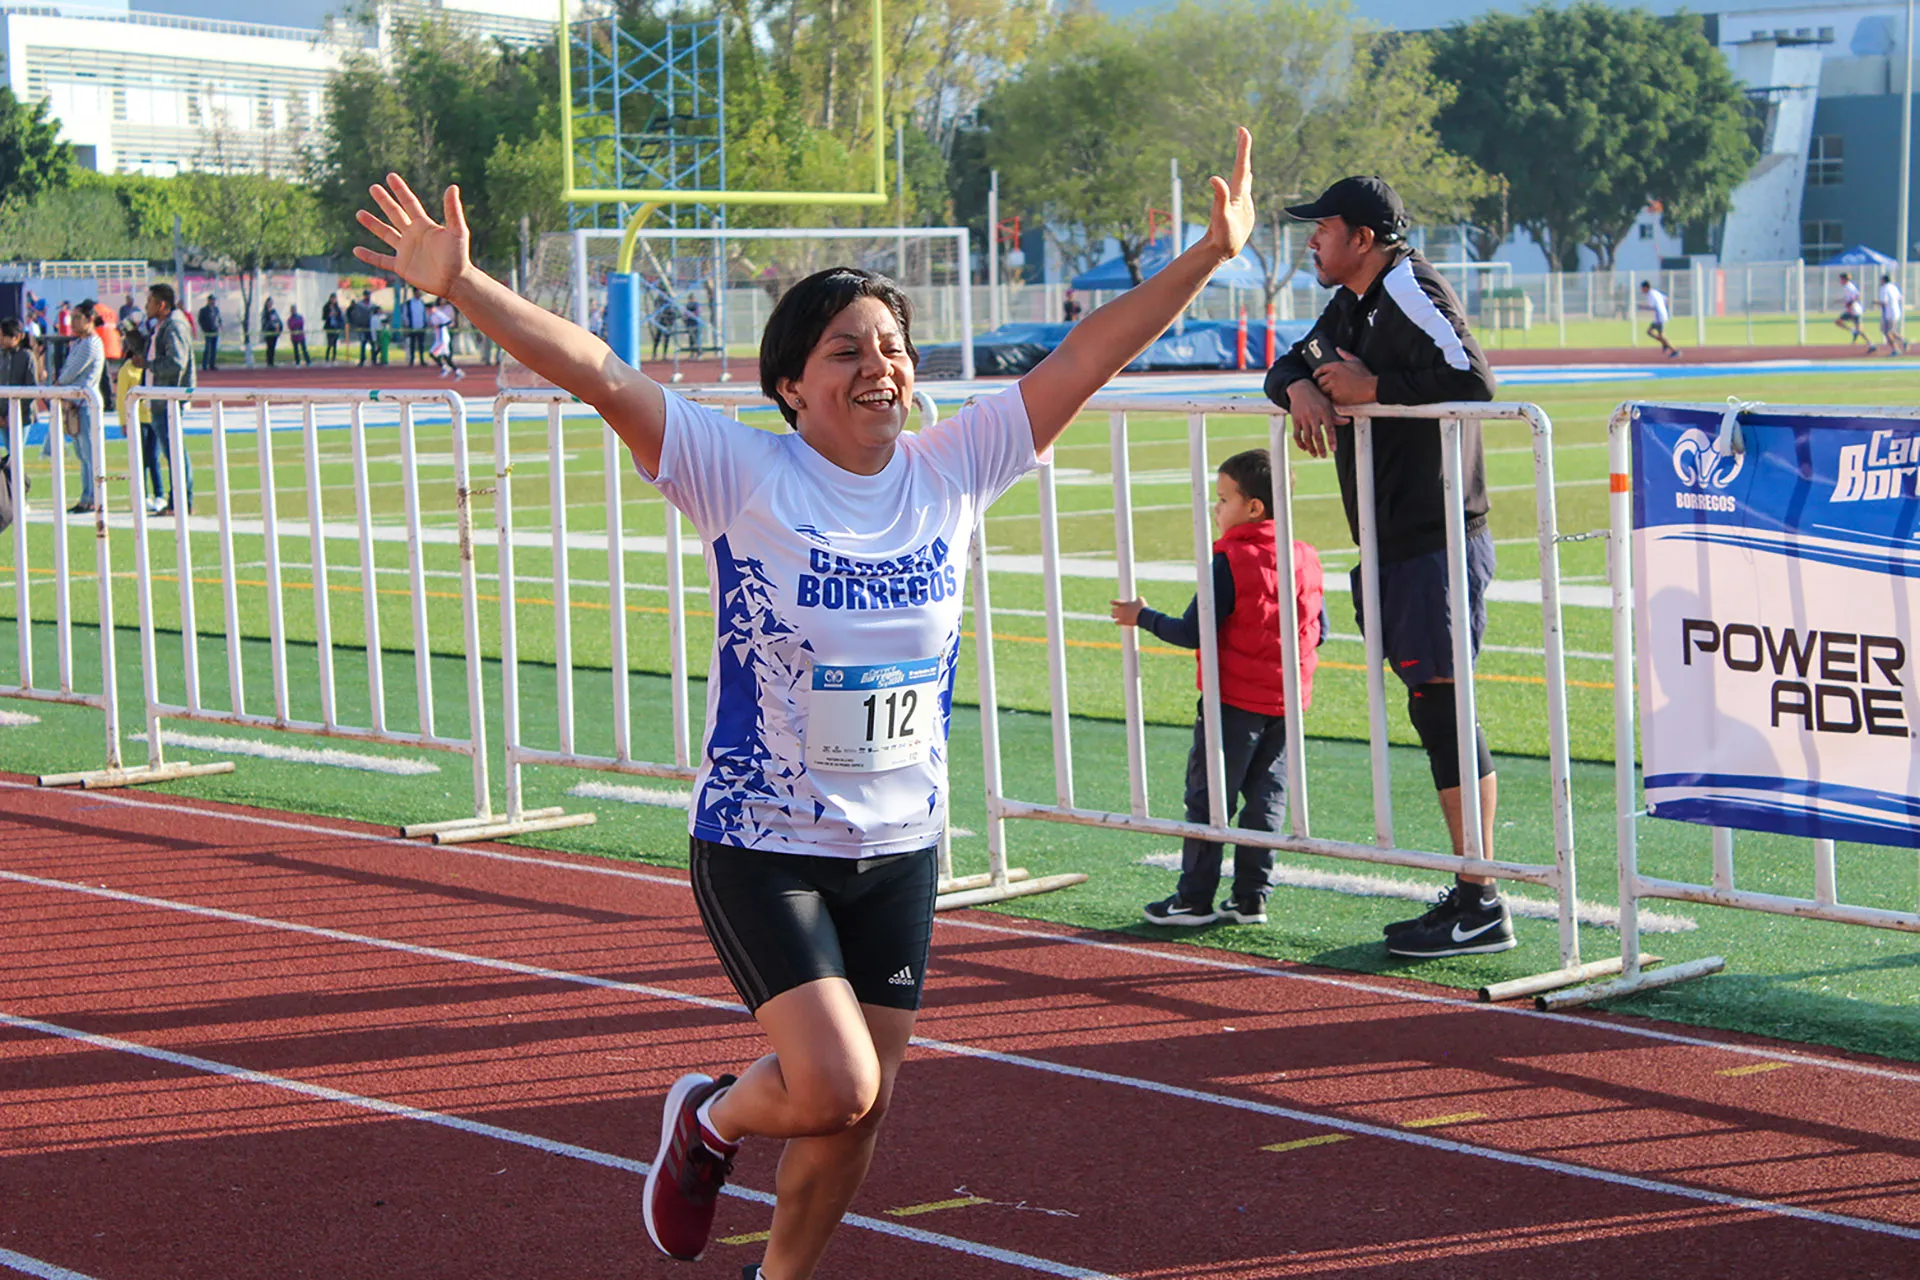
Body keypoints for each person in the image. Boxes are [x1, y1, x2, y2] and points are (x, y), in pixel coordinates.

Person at [353, 128, 1254, 1280]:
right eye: (846, 350)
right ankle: (711, 1119)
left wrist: (1207, 258)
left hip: (903, 841)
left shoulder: (958, 464)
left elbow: (1088, 355)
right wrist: (464, 283)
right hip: (763, 840)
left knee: (858, 1115)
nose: (879, 365)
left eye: (891, 346)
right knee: (835, 1082)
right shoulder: (741, 471)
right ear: (792, 383)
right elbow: (597, 369)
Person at [1264, 174, 1509, 960]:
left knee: (1444, 709)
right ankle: (1474, 891)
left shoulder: (1407, 287)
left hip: (1435, 534)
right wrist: (1301, 385)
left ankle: (1483, 899)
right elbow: (1287, 361)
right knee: (1431, 708)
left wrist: (1376, 389)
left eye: (1324, 228)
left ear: (1363, 237)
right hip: (1394, 537)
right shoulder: (1354, 303)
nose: (1312, 240)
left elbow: (1476, 383)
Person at [1111, 448, 1325, 927]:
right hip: (1286, 700)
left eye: (1223, 498)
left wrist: (1140, 616)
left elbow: (1193, 631)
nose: (1216, 508)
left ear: (1254, 508)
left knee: (1209, 799)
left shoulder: (1232, 559)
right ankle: (1252, 896)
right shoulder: (1305, 556)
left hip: (1233, 701)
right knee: (1266, 798)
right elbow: (1319, 629)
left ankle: (1194, 898)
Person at [144, 282, 196, 517]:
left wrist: (148, 365)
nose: (146, 306)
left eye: (149, 301)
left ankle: (181, 502)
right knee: (171, 451)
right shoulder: (165, 324)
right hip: (161, 397)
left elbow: (177, 362)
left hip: (169, 398)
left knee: (174, 451)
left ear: (161, 304)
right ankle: (178, 501)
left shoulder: (174, 324)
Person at [49, 299, 105, 515]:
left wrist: (57, 385)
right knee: (83, 454)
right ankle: (87, 496)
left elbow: (70, 372)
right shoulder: (82, 342)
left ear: (89, 320)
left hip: (84, 405)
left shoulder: (90, 343)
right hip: (76, 404)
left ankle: (93, 498)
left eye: (77, 318)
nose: (72, 322)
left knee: (89, 455)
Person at [115, 326, 162, 510]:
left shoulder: (149, 368)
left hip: (153, 418)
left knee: (154, 457)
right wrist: (124, 422)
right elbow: (121, 399)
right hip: (137, 420)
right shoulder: (126, 371)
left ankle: (159, 494)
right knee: (140, 459)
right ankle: (142, 495)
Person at [0, 318, 44, 439]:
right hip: (3, 416)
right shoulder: (1, 355)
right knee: (11, 453)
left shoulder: (26, 356)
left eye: (3, 336)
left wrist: (15, 413)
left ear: (17, 337)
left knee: (15, 452)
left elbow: (32, 387)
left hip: (23, 416)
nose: (0, 339)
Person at [1638, 281, 1679, 358]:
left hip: (1659, 317)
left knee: (1655, 334)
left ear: (1645, 288)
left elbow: (1651, 307)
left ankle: (1674, 350)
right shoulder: (1655, 292)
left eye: (1642, 289)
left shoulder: (1650, 295)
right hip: (1661, 315)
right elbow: (1666, 299)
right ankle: (1665, 344)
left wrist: (1642, 307)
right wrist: (1663, 308)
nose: (1642, 290)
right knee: (1654, 333)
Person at [1835, 271, 1874, 351]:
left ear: (1844, 279)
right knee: (1839, 322)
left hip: (1855, 311)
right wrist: (1840, 300)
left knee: (1859, 330)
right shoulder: (1846, 287)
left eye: (1841, 279)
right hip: (1851, 310)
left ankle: (1871, 344)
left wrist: (1850, 304)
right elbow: (1848, 298)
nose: (1840, 281)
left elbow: (1858, 296)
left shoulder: (1849, 287)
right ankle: (1855, 332)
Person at [427, 297, 463, 379]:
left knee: (433, 353)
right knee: (444, 356)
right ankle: (456, 371)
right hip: (438, 339)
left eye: (429, 309)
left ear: (433, 308)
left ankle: (447, 368)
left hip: (443, 339)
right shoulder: (432, 316)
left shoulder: (439, 314)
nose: (427, 312)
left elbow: (449, 322)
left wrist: (439, 326)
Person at [1879, 273, 1909, 355]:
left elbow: (1884, 302)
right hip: (1896, 311)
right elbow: (1900, 297)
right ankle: (1903, 341)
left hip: (1889, 313)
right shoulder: (1893, 287)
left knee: (1887, 332)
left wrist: (1875, 302)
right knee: (1889, 331)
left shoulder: (1884, 288)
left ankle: (1896, 349)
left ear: (1884, 280)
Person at [399, 289, 429, 365]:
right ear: (414, 293)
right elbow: (404, 315)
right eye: (418, 293)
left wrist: (425, 323)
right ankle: (411, 360)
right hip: (412, 327)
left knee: (421, 344)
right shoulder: (409, 303)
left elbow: (424, 314)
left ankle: (422, 360)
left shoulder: (422, 303)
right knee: (412, 344)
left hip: (421, 326)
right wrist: (407, 324)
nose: (419, 294)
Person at [349, 291, 374, 365]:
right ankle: (362, 359)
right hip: (363, 326)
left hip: (371, 327)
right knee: (363, 343)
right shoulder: (360, 305)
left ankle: (374, 359)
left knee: (373, 343)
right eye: (366, 295)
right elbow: (355, 315)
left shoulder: (372, 305)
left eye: (368, 295)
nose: (367, 297)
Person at [198, 295, 222, 369]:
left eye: (214, 300)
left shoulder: (216, 309)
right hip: (208, 331)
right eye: (211, 300)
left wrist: (220, 326)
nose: (213, 301)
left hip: (215, 331)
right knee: (207, 349)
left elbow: (219, 319)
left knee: (214, 349)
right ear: (208, 301)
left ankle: (212, 365)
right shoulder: (203, 310)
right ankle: (204, 365)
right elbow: (200, 320)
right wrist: (204, 329)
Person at [322, 294, 345, 362]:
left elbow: (340, 316)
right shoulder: (326, 307)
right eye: (332, 298)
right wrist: (329, 314)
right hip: (329, 327)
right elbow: (323, 317)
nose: (333, 300)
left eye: (334, 298)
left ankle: (334, 357)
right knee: (329, 342)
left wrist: (336, 314)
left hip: (335, 326)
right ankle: (327, 357)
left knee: (334, 343)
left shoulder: (337, 307)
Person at [261, 297, 283, 367]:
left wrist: (279, 327)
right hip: (268, 332)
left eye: (271, 302)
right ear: (266, 303)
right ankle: (269, 362)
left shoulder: (274, 311)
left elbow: (278, 321)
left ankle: (272, 362)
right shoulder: (265, 312)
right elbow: (264, 323)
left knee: (273, 348)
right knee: (269, 347)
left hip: (274, 333)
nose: (270, 303)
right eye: (269, 302)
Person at [370, 301, 392, 365]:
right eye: (379, 310)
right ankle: (374, 360)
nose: (381, 311)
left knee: (383, 349)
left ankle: (382, 360)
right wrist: (374, 337)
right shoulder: (373, 318)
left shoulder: (384, 316)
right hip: (377, 334)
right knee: (376, 348)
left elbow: (387, 325)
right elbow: (372, 327)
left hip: (383, 334)